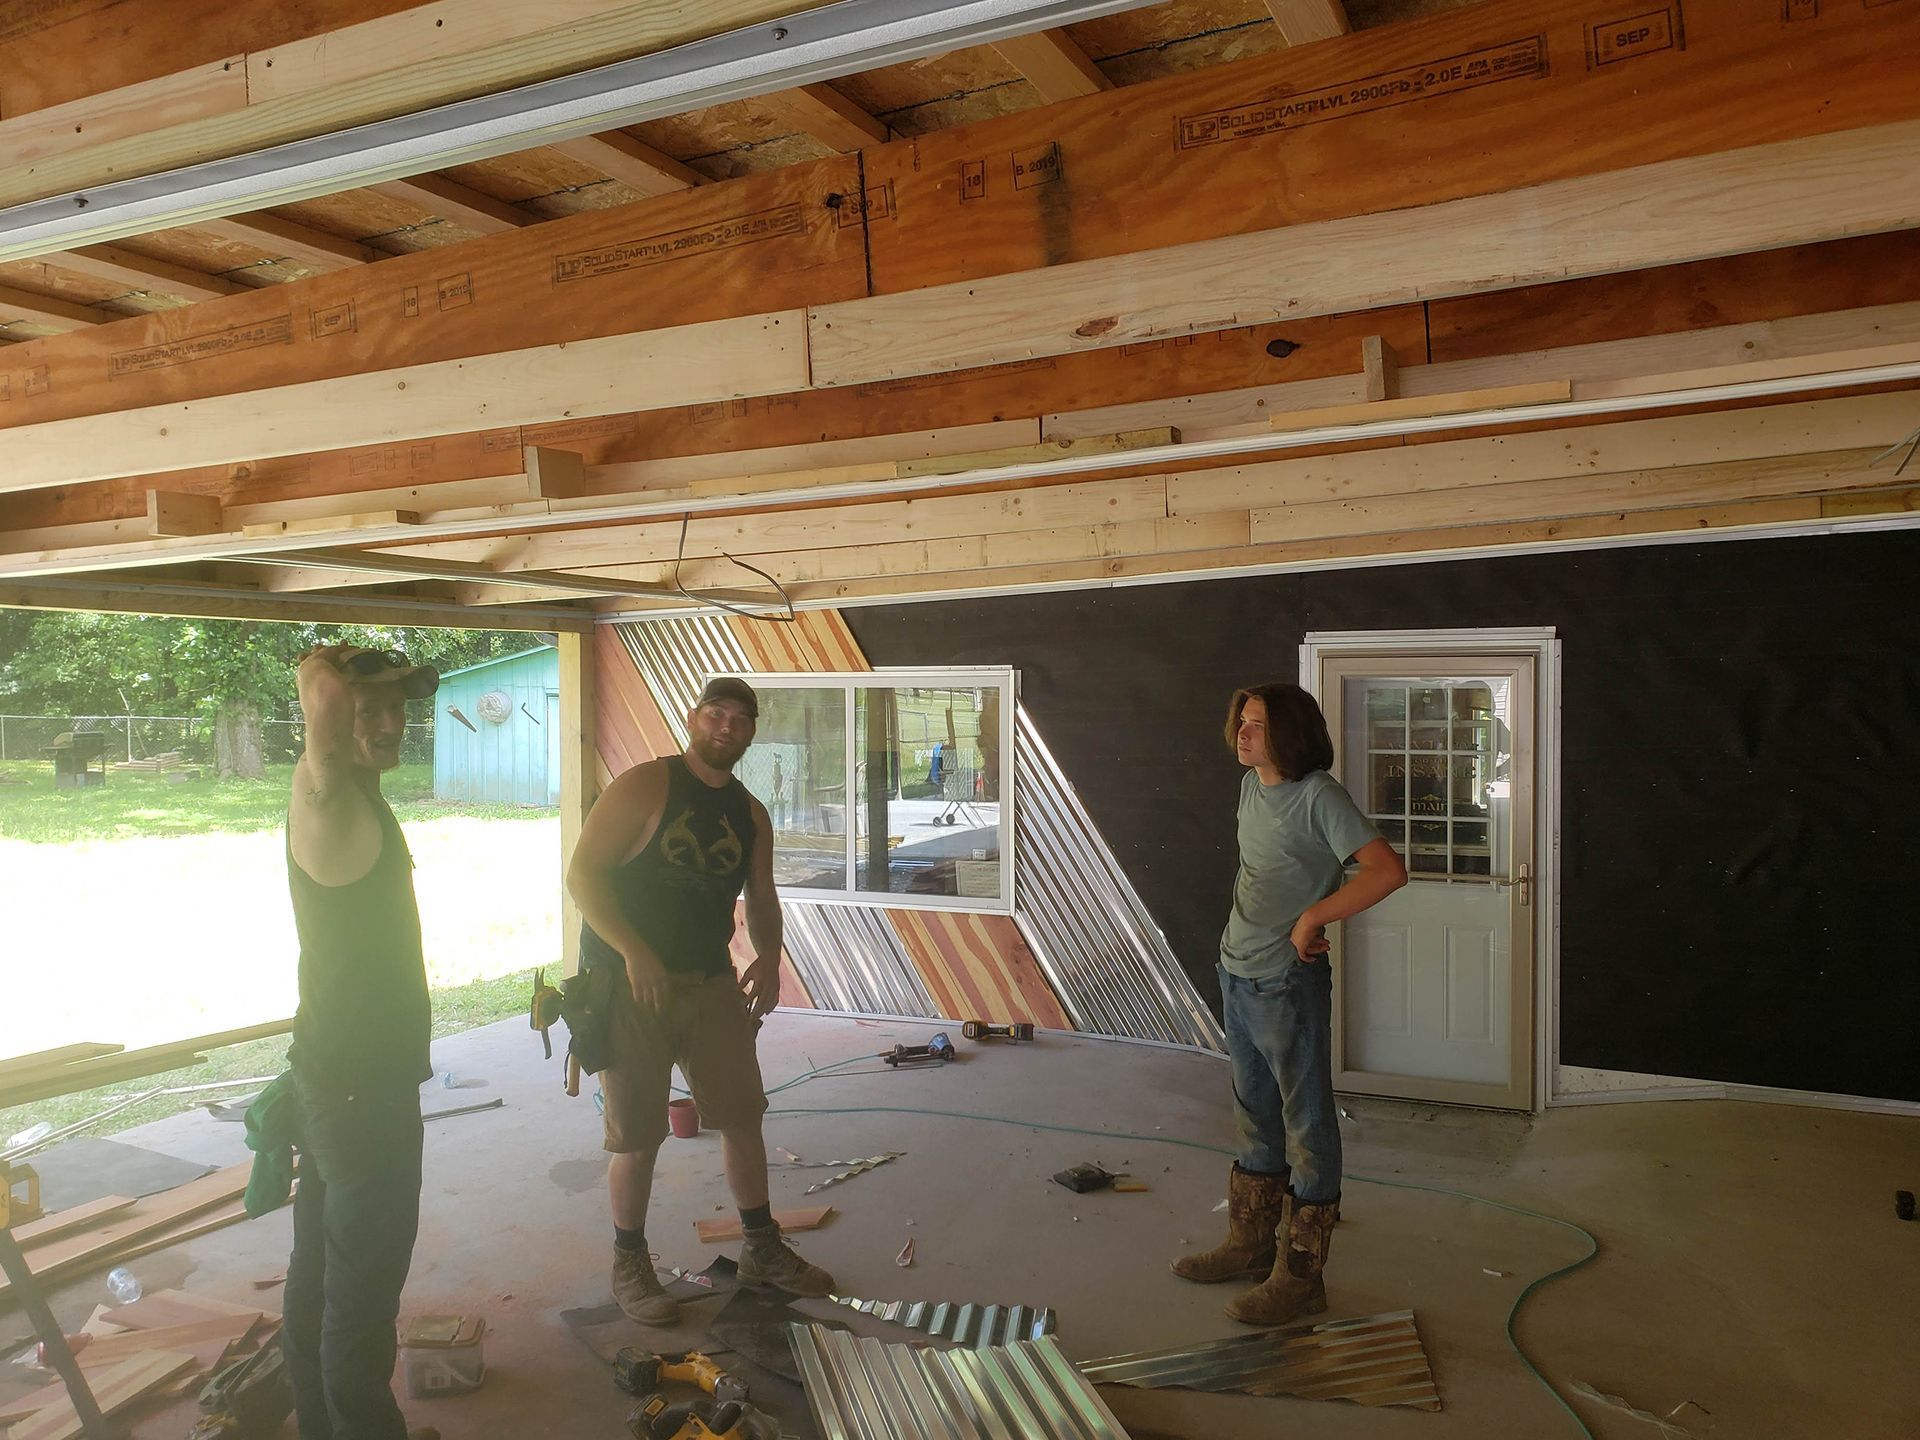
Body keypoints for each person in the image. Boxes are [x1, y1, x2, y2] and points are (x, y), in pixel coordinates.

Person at [567, 676, 834, 1325]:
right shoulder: (645, 786)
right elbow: (582, 875)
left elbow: (762, 897)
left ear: (749, 732)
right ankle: (630, 1261)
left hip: (709, 979)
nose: (726, 726)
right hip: (629, 980)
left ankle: (762, 1248)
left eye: (740, 719)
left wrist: (768, 956)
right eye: (716, 713)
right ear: (694, 718)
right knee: (638, 1133)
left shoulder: (749, 813)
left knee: (742, 1113)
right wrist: (635, 952)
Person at [1173, 682, 1407, 1325]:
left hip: (1286, 982)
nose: (1242, 734)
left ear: (1291, 734)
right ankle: (1250, 1246)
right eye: (1241, 721)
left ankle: (1302, 1277)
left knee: (1306, 1125)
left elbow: (1387, 870)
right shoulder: (1252, 786)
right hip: (1236, 970)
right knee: (1254, 1113)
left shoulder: (1320, 797)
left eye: (1257, 725)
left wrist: (1313, 919)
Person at [283, 644, 442, 1440]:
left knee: (319, 1271)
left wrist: (353, 685)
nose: (388, 723)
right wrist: (325, 671)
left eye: (397, 708)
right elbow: (316, 698)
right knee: (364, 1291)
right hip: (362, 1094)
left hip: (334, 1076)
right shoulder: (325, 795)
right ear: (332, 719)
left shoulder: (358, 795)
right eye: (366, 708)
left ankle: (321, 1425)